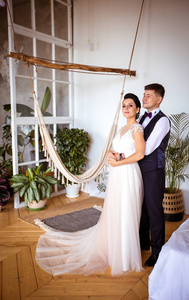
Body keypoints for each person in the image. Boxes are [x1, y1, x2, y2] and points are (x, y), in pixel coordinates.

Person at [35, 93, 145, 276]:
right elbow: (122, 151)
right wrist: (112, 153)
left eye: (130, 105)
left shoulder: (137, 129)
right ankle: (114, 249)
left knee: (127, 210)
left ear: (137, 109)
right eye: (124, 105)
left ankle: (125, 256)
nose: (126, 109)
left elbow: (140, 154)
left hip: (129, 174)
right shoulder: (120, 130)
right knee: (116, 209)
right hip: (118, 173)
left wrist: (118, 162)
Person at [138, 83, 170, 267]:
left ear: (159, 99)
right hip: (139, 169)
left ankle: (157, 251)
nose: (144, 98)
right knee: (141, 209)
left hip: (154, 172)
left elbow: (148, 148)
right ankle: (143, 243)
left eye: (148, 95)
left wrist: (125, 154)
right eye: (144, 95)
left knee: (154, 211)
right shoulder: (142, 117)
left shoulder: (163, 121)